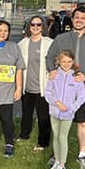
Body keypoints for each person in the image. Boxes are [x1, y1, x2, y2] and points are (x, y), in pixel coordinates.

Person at [46, 6, 85, 169]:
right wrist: (52, 70)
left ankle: (81, 154)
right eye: (76, 17)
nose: (79, 20)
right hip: (61, 93)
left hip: (83, 92)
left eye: (83, 17)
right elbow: (49, 58)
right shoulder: (61, 39)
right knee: (59, 125)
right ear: (72, 19)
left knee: (81, 122)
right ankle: (57, 154)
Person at [0, 20, 25, 158]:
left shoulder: (14, 46)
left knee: (6, 117)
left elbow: (19, 68)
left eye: (6, 31)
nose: (3, 33)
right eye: (0, 30)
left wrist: (19, 88)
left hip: (8, 89)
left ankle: (9, 143)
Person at [45, 50, 85, 169]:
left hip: (68, 113)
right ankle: (57, 160)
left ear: (73, 62)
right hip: (54, 111)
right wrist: (56, 102)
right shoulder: (55, 75)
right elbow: (48, 92)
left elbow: (81, 96)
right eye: (63, 61)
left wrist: (72, 108)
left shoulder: (76, 77)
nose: (66, 64)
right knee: (56, 136)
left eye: (69, 61)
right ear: (59, 61)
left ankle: (62, 166)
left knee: (63, 137)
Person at [17, 16, 53, 151]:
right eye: (33, 24)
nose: (36, 27)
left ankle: (43, 142)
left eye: (39, 24)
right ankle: (24, 135)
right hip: (27, 87)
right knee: (26, 114)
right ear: (29, 26)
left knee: (43, 116)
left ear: (43, 26)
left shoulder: (49, 43)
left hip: (43, 87)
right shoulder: (22, 43)